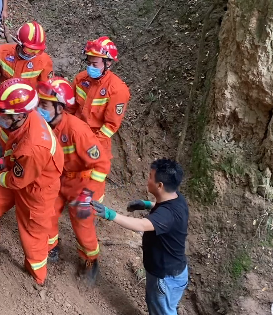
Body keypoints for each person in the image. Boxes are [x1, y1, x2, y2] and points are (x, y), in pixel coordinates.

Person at [0, 78, 64, 285]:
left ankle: (37, 277)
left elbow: (17, 181)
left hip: (37, 189)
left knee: (33, 237)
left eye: (2, 113)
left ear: (19, 115)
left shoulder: (34, 145)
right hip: (14, 172)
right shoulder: (14, 120)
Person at [36, 77, 111, 286]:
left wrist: (87, 195)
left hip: (83, 181)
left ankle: (90, 259)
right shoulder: (44, 126)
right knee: (47, 211)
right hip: (60, 179)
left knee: (82, 222)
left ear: (60, 108)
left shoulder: (77, 131)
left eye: (44, 105)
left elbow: (101, 165)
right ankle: (51, 247)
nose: (38, 109)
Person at [92, 159, 189, 315]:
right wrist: (147, 204)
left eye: (151, 176)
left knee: (162, 310)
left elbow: (142, 225)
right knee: (161, 306)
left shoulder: (167, 215)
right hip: (173, 272)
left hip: (165, 278)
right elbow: (163, 207)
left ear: (160, 185)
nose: (147, 179)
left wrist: (111, 214)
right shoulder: (176, 198)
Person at [72, 36, 130, 161]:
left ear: (108, 63)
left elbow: (110, 125)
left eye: (94, 64)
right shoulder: (80, 79)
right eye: (88, 63)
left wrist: (91, 144)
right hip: (74, 136)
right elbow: (70, 109)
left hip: (96, 145)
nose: (90, 67)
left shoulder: (117, 90)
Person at [0, 21, 53, 92]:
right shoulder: (3, 52)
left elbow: (46, 87)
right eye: (29, 50)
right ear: (19, 44)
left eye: (37, 50)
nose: (33, 54)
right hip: (4, 96)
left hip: (28, 100)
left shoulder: (44, 61)